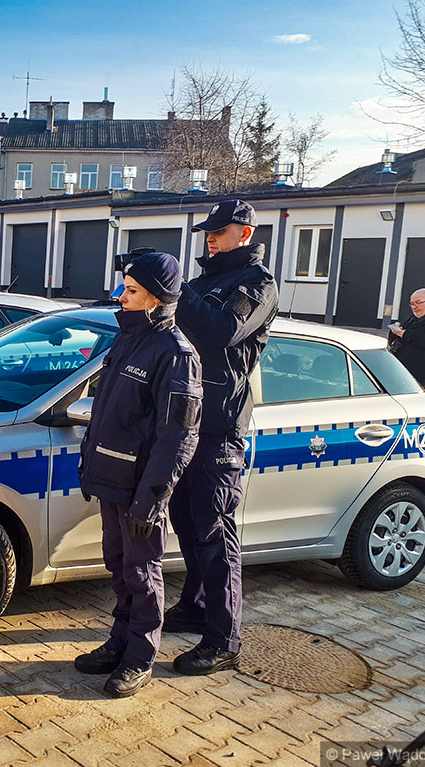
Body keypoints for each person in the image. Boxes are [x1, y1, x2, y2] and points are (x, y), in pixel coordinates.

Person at [76, 252, 202, 699]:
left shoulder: (176, 355)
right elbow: (107, 413)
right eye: (124, 289)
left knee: (142, 572)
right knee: (118, 567)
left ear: (156, 297)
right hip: (111, 481)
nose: (121, 297)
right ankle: (119, 642)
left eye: (131, 291)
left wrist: (152, 499)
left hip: (141, 492)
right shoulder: (126, 340)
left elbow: (177, 439)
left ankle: (140, 657)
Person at [167, 199, 278, 676]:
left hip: (220, 427)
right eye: (207, 230)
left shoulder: (257, 284)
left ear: (245, 234)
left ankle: (223, 637)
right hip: (187, 420)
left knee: (215, 533)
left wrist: (177, 293)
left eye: (220, 229)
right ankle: (194, 606)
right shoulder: (206, 279)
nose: (210, 237)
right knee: (186, 521)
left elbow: (219, 331)